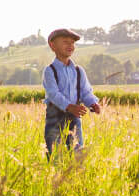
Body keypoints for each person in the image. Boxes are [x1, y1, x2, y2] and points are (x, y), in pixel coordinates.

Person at [42, 28, 101, 158]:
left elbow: (85, 91)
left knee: (77, 152)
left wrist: (92, 103)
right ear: (52, 46)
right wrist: (69, 106)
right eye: (65, 42)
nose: (70, 45)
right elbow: (53, 94)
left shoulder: (79, 71)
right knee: (55, 154)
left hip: (74, 119)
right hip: (55, 119)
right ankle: (55, 175)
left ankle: (76, 175)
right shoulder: (50, 70)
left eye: (72, 43)